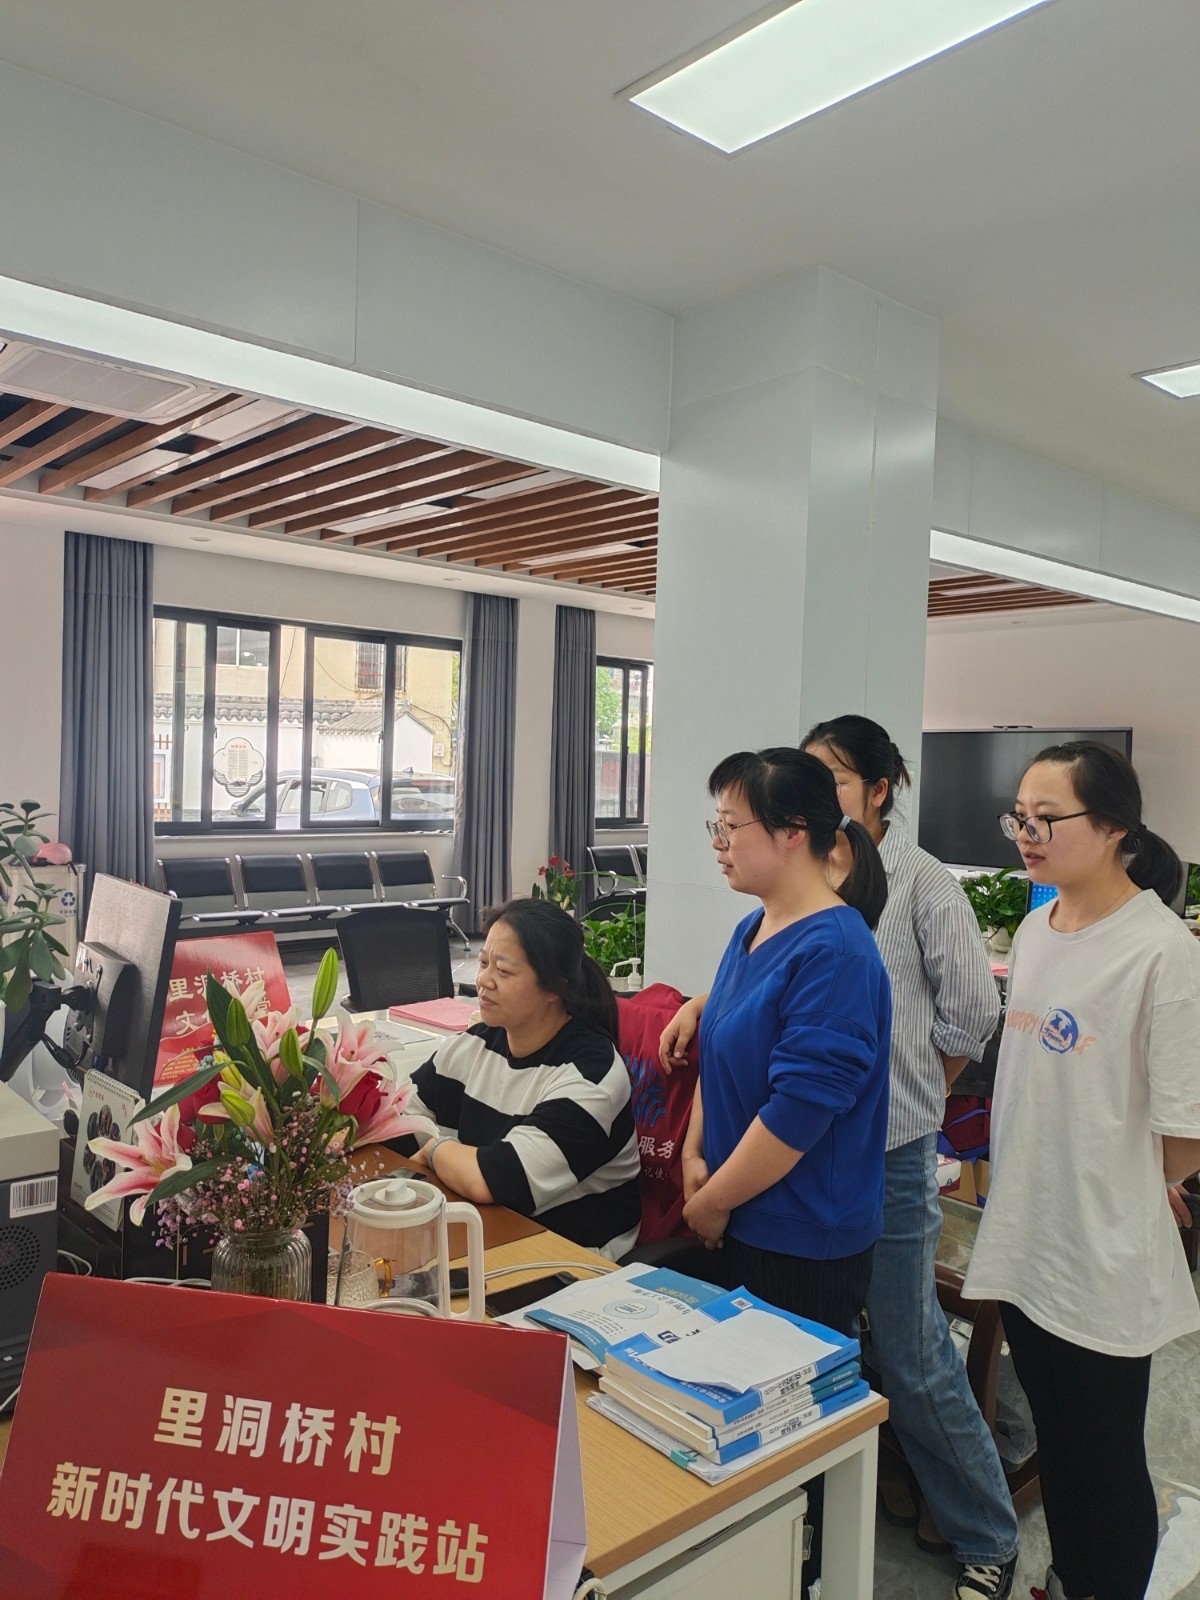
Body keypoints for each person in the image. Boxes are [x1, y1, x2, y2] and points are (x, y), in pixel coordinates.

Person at [963, 741, 1200, 1600]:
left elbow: (1184, 1139)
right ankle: (1067, 1581)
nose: (1026, 834)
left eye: (1046, 819)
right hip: (1028, 1235)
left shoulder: (1161, 949)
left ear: (1113, 828)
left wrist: (1110, 1169)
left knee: (1105, 1458)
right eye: (1018, 818)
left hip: (1102, 1253)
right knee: (1057, 1445)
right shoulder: (1034, 930)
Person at [800, 715, 1020, 1600]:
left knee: (912, 1347)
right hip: (807, 1148)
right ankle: (858, 1494)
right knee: (831, 1338)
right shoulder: (808, 869)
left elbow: (973, 1014)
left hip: (890, 1150)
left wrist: (918, 1092)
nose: (819, 797)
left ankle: (988, 1535)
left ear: (880, 788)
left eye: (835, 779)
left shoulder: (924, 883)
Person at [668, 747, 892, 1596]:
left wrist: (713, 1201)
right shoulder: (754, 926)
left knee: (792, 1446)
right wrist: (694, 1156)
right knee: (741, 1428)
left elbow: (800, 1112)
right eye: (717, 825)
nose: (718, 842)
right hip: (735, 1208)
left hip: (801, 1238)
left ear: (794, 833)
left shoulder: (836, 952)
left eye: (732, 826)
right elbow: (720, 1043)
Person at [402, 897, 642, 1259]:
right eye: (484, 963)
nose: (483, 981)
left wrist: (435, 1149)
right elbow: (398, 1119)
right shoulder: (475, 1044)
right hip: (486, 1232)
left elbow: (495, 1180)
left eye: (504, 970)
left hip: (567, 1260)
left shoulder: (592, 1076)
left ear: (554, 987)